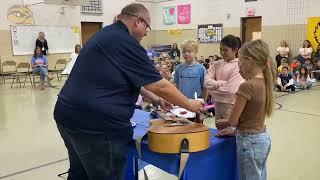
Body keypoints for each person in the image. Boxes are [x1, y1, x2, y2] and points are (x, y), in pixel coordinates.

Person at [53, 3, 203, 180]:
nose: (146, 33)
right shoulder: (126, 42)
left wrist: (155, 99)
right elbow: (160, 85)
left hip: (67, 117)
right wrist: (189, 104)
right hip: (96, 126)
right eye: (147, 27)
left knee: (80, 174)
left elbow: (130, 79)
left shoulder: (105, 35)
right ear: (138, 21)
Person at [216, 39, 275, 180]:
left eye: (240, 63)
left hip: (249, 142)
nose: (239, 68)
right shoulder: (266, 83)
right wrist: (234, 129)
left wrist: (222, 122)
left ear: (249, 61)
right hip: (263, 138)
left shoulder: (246, 86)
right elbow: (251, 118)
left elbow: (233, 120)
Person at [204, 34, 244, 123]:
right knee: (219, 130)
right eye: (220, 50)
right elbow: (206, 82)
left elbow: (230, 90)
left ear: (235, 50)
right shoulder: (216, 64)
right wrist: (221, 83)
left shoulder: (238, 66)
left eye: (225, 50)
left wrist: (212, 90)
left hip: (231, 105)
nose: (222, 52)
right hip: (217, 104)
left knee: (229, 130)